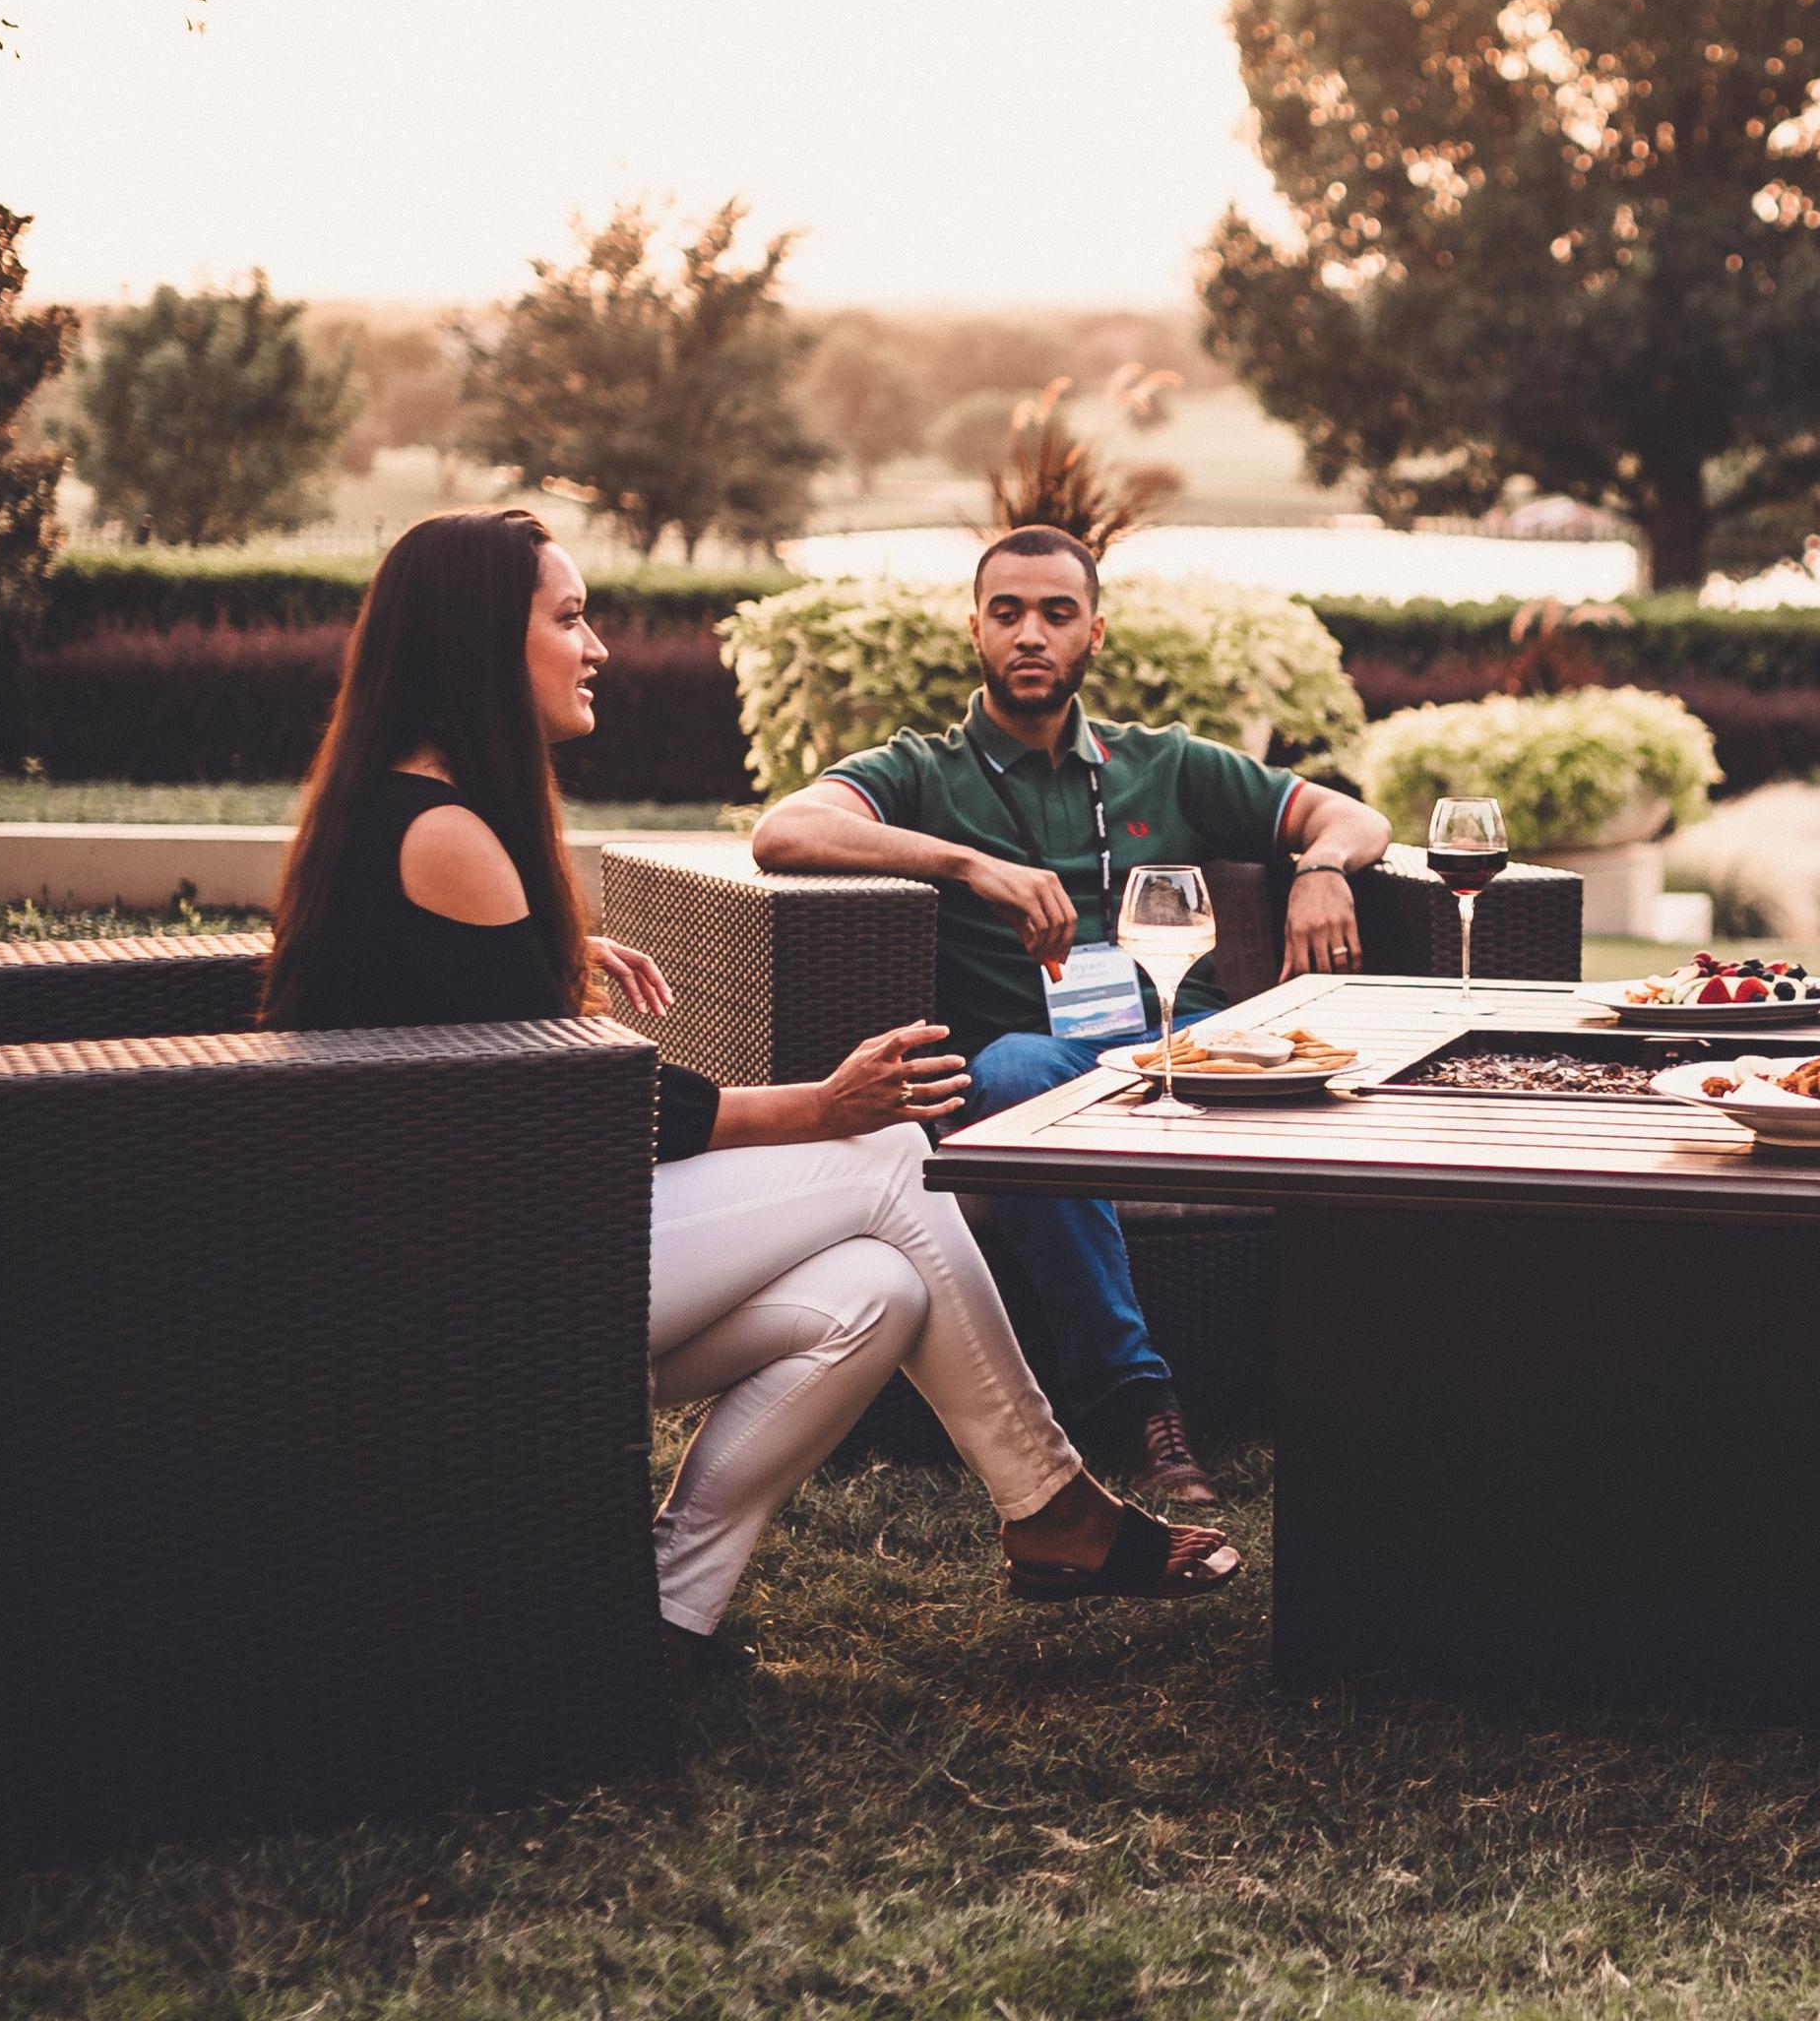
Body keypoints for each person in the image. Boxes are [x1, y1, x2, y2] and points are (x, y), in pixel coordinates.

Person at [262, 508, 1237, 1677]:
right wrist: (822, 1108)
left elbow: (459, 1041)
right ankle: (1052, 1507)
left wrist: (550, 962)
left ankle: (667, 1617)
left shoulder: (412, 813)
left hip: (500, 1249)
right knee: (890, 1160)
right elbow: (588, 1111)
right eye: (569, 619)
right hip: (483, 1289)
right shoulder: (448, 835)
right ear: (480, 644)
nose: (599, 647)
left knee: (876, 1289)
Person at [748, 524, 1393, 1503]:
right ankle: (1139, 1408)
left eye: (1057, 613)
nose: (1031, 634)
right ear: (975, 630)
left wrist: (1321, 869)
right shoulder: (923, 772)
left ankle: (1371, 1383)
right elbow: (783, 829)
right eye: (1006, 613)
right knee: (1013, 1071)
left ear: (1096, 633)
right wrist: (966, 863)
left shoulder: (1164, 763)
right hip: (1028, 1085)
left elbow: (1352, 815)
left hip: (1182, 1064)